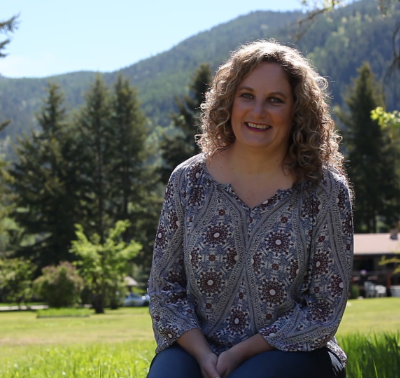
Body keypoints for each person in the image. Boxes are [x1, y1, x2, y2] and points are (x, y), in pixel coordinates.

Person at [147, 40, 353, 378]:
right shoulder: (187, 180)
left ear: (297, 110)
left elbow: (323, 309)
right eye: (246, 96)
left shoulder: (325, 191)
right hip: (196, 349)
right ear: (228, 102)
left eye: (275, 100)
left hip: (293, 351)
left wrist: (240, 354)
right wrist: (202, 355)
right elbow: (165, 289)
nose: (258, 111)